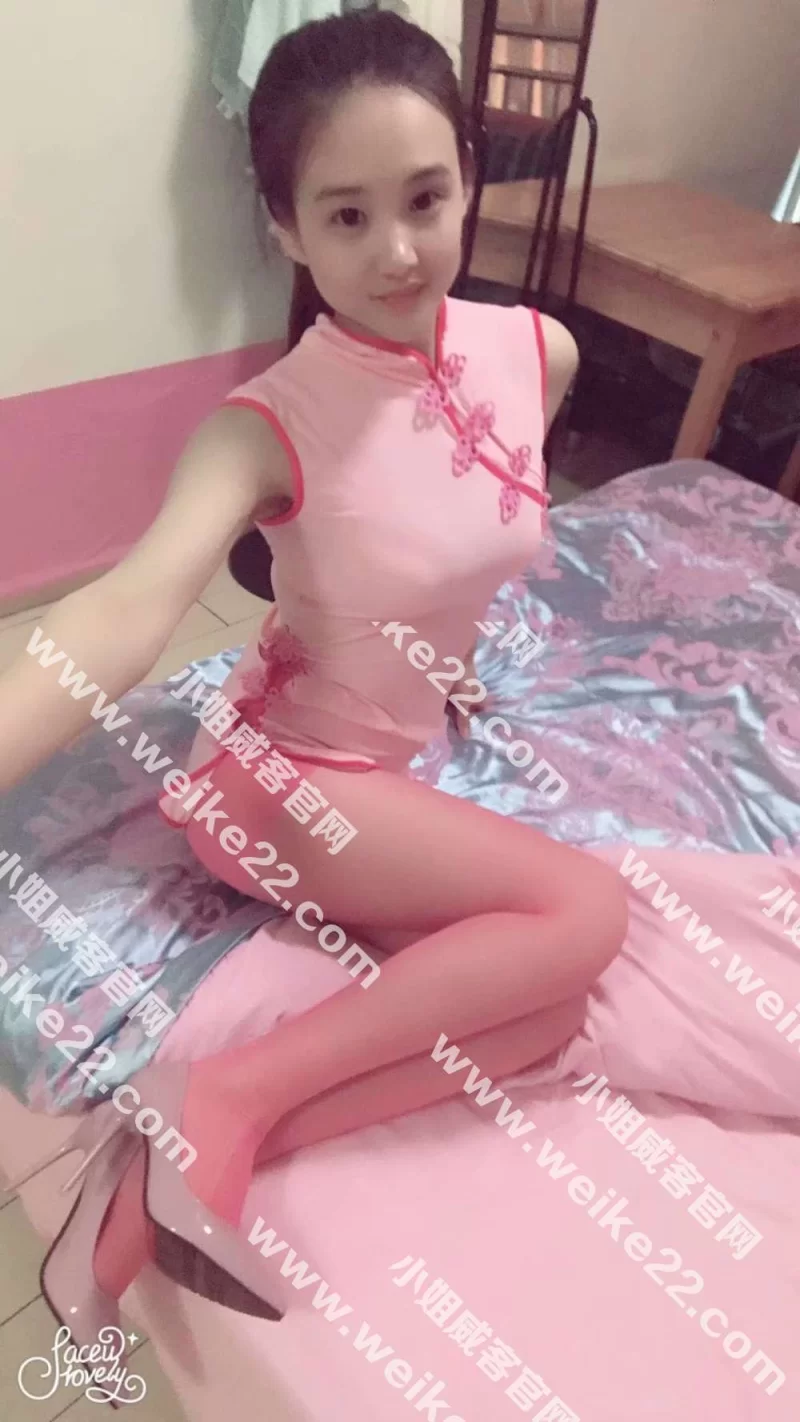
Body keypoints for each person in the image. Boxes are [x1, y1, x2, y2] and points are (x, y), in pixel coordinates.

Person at [0, 10, 628, 1332]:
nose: (397, 250)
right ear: (286, 228)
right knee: (587, 916)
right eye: (347, 216)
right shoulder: (266, 424)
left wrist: (441, 663)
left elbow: (456, 532)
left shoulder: (539, 353)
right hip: (276, 782)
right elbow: (124, 610)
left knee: (542, 1013)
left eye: (426, 198)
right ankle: (217, 1097)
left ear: (469, 179)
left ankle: (172, 1168)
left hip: (387, 773)